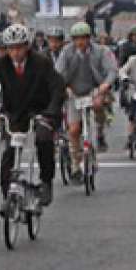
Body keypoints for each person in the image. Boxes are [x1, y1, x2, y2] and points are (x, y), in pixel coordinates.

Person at [0, 24, 65, 212]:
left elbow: (57, 88)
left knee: (43, 138)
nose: (15, 52)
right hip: (15, 112)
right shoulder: (1, 64)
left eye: (19, 47)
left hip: (41, 110)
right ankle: (7, 196)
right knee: (10, 151)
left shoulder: (41, 62)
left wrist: (51, 111)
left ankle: (46, 182)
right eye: (11, 48)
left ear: (27, 46)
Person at [56, 22, 117, 179]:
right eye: (76, 39)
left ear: (89, 38)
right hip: (74, 93)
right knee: (74, 129)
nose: (80, 42)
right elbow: (58, 72)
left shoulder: (101, 51)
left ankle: (100, 131)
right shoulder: (67, 52)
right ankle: (76, 163)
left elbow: (111, 70)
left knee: (98, 105)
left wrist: (105, 85)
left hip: (94, 90)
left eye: (83, 38)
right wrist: (64, 87)